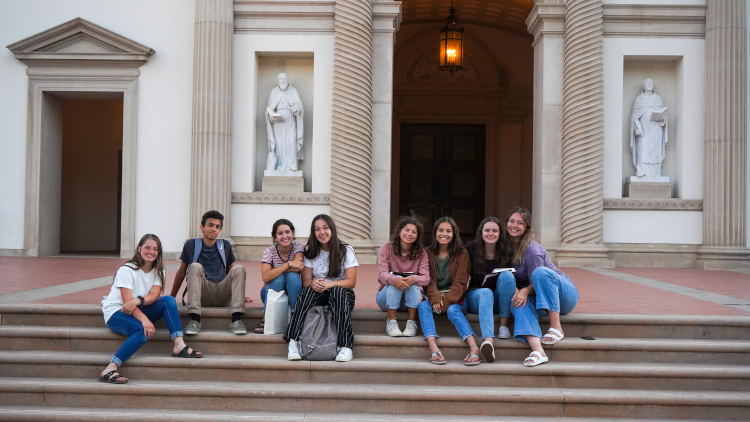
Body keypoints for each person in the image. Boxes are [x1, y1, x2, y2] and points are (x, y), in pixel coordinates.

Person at [100, 234, 202, 384]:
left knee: (168, 300)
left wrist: (138, 300)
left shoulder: (158, 271)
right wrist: (144, 319)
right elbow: (127, 304)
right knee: (143, 330)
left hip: (138, 307)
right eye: (147, 247)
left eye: (155, 249)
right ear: (139, 248)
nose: (151, 251)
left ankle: (179, 344)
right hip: (117, 312)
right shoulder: (127, 270)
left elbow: (154, 295)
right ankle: (110, 368)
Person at [496, 207, 579, 367]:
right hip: (538, 298)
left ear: (527, 227)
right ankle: (538, 351)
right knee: (518, 304)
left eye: (520, 223)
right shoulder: (506, 247)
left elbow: (539, 280)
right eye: (512, 221)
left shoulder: (532, 250)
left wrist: (525, 290)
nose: (514, 225)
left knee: (540, 273)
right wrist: (517, 292)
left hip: (563, 295)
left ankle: (556, 327)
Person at [284, 214, 358, 362]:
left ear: (332, 229)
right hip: (319, 293)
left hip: (342, 295)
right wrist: (312, 283)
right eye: (317, 229)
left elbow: (351, 282)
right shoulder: (310, 250)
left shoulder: (346, 250)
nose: (322, 232)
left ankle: (345, 346)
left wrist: (331, 284)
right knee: (307, 292)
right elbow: (305, 281)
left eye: (325, 228)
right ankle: (293, 342)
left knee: (338, 291)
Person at [170, 210, 248, 335]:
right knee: (195, 266)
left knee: (239, 268)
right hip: (201, 293)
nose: (214, 229)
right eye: (210, 225)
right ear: (202, 227)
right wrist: (172, 297)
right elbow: (181, 272)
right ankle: (195, 320)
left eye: (217, 227)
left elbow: (233, 271)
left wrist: (240, 294)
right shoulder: (191, 244)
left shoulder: (225, 245)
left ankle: (236, 320)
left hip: (221, 292)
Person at [418, 217, 482, 365]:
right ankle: (434, 348)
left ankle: (474, 347)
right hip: (435, 298)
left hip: (456, 298)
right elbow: (428, 280)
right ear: (435, 232)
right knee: (422, 306)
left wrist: (444, 302)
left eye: (448, 231)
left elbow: (460, 282)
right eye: (441, 230)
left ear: (454, 234)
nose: (444, 234)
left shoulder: (462, 253)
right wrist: (435, 299)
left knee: (453, 310)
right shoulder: (427, 253)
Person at [376, 216, 430, 337]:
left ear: (417, 236)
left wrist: (412, 279)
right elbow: (382, 274)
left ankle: (411, 323)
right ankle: (391, 322)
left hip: (409, 302)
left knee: (413, 285)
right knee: (396, 284)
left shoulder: (422, 253)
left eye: (414, 232)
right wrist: (395, 280)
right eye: (406, 230)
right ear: (399, 231)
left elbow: (426, 278)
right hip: (386, 300)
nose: (409, 234)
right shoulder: (387, 248)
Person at [255, 219, 305, 334]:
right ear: (275, 236)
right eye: (280, 233)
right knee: (279, 279)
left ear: (293, 233)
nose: (285, 236)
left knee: (291, 276)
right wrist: (288, 264)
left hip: (293, 290)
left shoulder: (298, 247)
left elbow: (298, 267)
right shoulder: (269, 251)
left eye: (287, 232)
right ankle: (266, 317)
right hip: (272, 290)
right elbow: (265, 277)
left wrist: (275, 271)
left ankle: (295, 316)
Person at [463, 217, 502, 362]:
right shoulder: (471, 249)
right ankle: (488, 342)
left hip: (497, 300)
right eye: (487, 230)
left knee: (507, 277)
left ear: (500, 234)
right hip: (476, 296)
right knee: (486, 292)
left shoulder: (504, 250)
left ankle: (503, 325)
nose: (490, 233)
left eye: (495, 230)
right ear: (481, 232)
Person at [265, 72, 304, 172]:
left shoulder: (293, 91)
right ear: (278, 81)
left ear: (288, 80)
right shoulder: (273, 92)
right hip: (278, 121)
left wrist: (297, 107)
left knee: (290, 141)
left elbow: (299, 104)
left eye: (284, 79)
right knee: (279, 143)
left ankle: (292, 164)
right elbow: (269, 108)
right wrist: (271, 116)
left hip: (290, 118)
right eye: (280, 79)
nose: (282, 81)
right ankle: (280, 165)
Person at [630, 78, 668, 177]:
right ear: (643, 86)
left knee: (655, 151)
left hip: (656, 130)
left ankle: (655, 173)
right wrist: (636, 129)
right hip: (644, 130)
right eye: (647, 83)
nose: (650, 84)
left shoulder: (658, 99)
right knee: (643, 148)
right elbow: (634, 117)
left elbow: (664, 116)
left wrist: (662, 119)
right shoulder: (639, 99)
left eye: (651, 83)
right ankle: (642, 170)